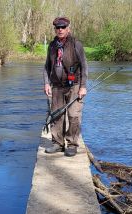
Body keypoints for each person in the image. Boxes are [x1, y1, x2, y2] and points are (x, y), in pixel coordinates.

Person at [43, 16, 88, 157]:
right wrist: (46, 83)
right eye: (58, 27)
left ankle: (72, 144)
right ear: (55, 29)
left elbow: (84, 66)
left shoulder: (76, 44)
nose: (60, 30)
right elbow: (46, 67)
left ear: (68, 28)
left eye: (63, 27)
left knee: (74, 115)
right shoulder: (52, 45)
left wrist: (83, 86)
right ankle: (58, 143)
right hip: (56, 86)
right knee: (56, 115)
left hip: (74, 85)